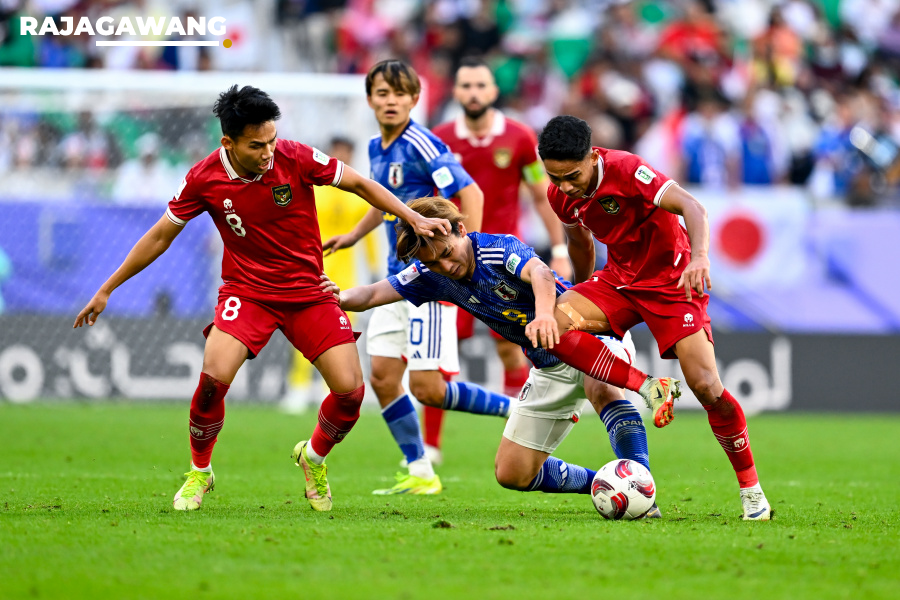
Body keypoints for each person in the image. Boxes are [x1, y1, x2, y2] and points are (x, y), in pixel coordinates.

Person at [72, 85, 450, 513]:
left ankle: (314, 457)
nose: (269, 151)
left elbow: (361, 183)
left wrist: (413, 216)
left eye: (272, 140)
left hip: (309, 292)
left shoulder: (295, 156)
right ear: (228, 143)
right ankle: (200, 472)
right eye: (257, 145)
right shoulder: (203, 178)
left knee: (351, 394)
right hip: (247, 293)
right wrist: (107, 288)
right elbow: (161, 235)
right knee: (212, 381)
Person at [323, 197, 660, 516]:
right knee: (512, 473)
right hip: (547, 366)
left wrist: (545, 315)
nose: (445, 265)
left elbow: (540, 273)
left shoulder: (496, 248)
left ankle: (641, 486)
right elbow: (370, 294)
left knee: (600, 388)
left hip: (585, 332)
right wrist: (338, 297)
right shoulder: (433, 277)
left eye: (446, 253)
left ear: (459, 230)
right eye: (433, 262)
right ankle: (605, 485)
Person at [537, 115, 771, 520]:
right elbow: (579, 241)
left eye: (571, 176)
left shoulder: (627, 170)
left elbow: (692, 206)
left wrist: (699, 258)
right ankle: (648, 387)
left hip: (671, 282)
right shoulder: (560, 195)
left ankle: (752, 492)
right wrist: (579, 294)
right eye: (555, 178)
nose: (565, 186)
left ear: (592, 157)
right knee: (551, 324)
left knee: (705, 385)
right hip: (619, 281)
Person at [323, 59, 515, 496]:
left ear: (415, 99)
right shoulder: (376, 146)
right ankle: (420, 471)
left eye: (399, 94)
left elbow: (471, 192)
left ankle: (519, 409)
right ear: (370, 99)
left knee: (428, 388)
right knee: (384, 379)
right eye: (382, 93)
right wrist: (355, 235)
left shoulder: (423, 144)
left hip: (431, 281)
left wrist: (472, 258)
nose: (390, 101)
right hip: (396, 278)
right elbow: (384, 198)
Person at [425, 57, 574, 459]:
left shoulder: (520, 138)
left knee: (511, 347)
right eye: (466, 85)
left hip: (504, 262)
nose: (473, 93)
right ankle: (430, 447)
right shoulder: (438, 139)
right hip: (450, 261)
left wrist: (559, 250)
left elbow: (543, 198)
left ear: (493, 91)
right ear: (456, 92)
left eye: (480, 85)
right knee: (441, 348)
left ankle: (519, 425)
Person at [280, 136, 381, 413]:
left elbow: (368, 235)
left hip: (346, 274)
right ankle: (298, 388)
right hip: (311, 268)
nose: (342, 154)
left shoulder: (356, 192)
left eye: (347, 150)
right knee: (303, 329)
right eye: (338, 150)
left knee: (341, 331)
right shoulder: (314, 187)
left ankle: (331, 389)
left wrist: (373, 266)